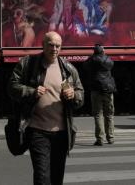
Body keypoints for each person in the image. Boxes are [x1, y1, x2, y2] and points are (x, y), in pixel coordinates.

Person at [8, 31, 84, 185]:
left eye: (58, 46)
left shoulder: (68, 69)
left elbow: (80, 94)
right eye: (51, 45)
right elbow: (11, 87)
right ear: (43, 45)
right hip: (37, 131)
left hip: (61, 133)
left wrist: (74, 95)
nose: (54, 49)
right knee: (42, 177)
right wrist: (31, 91)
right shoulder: (28, 63)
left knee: (57, 177)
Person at [84, 44, 116, 146]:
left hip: (96, 89)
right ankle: (110, 138)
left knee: (98, 114)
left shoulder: (92, 60)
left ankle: (100, 139)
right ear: (103, 51)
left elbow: (85, 66)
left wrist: (93, 55)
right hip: (108, 89)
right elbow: (112, 64)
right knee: (109, 115)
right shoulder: (108, 60)